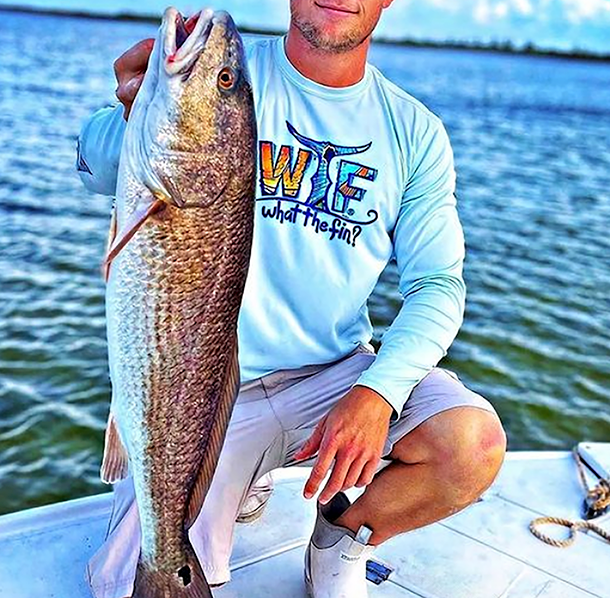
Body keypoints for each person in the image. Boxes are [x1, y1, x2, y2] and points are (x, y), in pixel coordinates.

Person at [76, 1, 507, 597]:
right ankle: (236, 481)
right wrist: (132, 108)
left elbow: (438, 285)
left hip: (335, 376)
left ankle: (341, 540)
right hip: (202, 395)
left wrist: (378, 392)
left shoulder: (414, 131)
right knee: (136, 579)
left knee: (471, 444)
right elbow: (96, 167)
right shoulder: (226, 73)